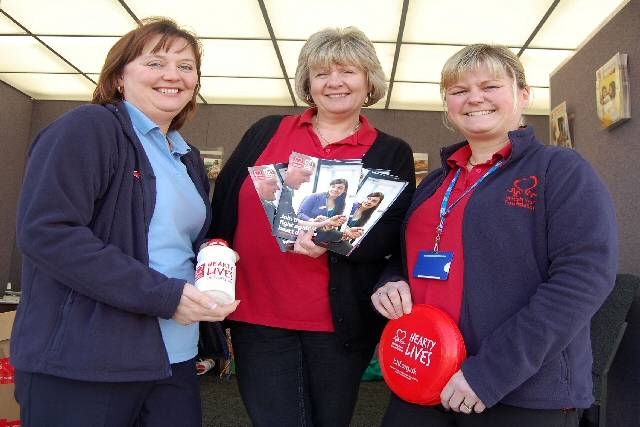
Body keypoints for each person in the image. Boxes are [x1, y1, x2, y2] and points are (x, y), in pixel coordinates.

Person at [371, 44, 617, 427]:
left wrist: (489, 374)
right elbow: (403, 259)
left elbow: (583, 279)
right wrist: (391, 282)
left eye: (490, 86)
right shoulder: (436, 182)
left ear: (522, 94)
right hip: (424, 376)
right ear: (448, 105)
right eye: (458, 91)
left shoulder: (559, 169)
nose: (474, 98)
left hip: (519, 390)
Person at [11, 18, 238, 427]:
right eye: (156, 62)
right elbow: (48, 232)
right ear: (119, 77)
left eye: (186, 67)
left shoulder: (186, 157)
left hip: (175, 354)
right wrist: (163, 295)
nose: (173, 75)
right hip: (88, 361)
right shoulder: (89, 128)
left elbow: (178, 245)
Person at [209, 27, 415, 427]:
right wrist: (214, 266)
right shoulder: (267, 131)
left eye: (348, 71)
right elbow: (224, 207)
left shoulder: (391, 150)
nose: (334, 82)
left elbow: (393, 231)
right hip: (257, 313)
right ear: (308, 82)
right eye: (322, 73)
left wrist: (335, 241)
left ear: (369, 80)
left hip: (337, 325)